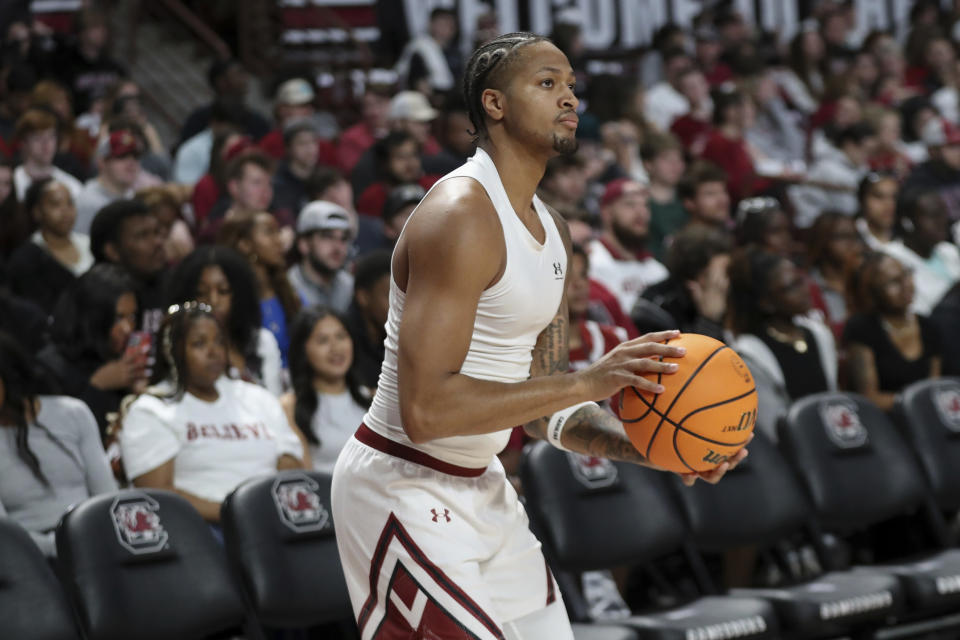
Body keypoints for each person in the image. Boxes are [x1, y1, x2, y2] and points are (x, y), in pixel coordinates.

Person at [331, 33, 745, 639]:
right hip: (402, 482)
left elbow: (541, 408)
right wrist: (589, 378)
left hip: (484, 483)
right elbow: (426, 411)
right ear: (494, 104)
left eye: (572, 84)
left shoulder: (554, 229)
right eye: (548, 83)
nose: (570, 98)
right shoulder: (459, 215)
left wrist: (657, 448)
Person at [119, 303, 304, 525]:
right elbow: (159, 495)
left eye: (219, 341)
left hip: (272, 521)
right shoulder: (151, 410)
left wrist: (272, 510)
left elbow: (290, 460)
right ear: (172, 351)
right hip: (199, 530)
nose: (213, 351)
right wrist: (239, 514)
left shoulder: (257, 397)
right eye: (199, 343)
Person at [0, 331, 116, 557]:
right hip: (29, 560)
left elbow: (107, 498)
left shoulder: (73, 413)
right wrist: (61, 548)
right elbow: (3, 535)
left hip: (95, 541)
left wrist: (93, 542)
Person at [728, 247, 837, 441]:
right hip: (794, 449)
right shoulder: (750, 352)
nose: (804, 291)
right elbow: (774, 427)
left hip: (832, 436)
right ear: (766, 303)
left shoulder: (818, 333)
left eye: (800, 281)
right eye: (790, 288)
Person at [38, 264, 149, 435]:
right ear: (93, 318)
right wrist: (97, 387)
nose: (128, 328)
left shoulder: (124, 360)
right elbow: (57, 437)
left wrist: (141, 395)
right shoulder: (49, 367)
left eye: (132, 317)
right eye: (119, 318)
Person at [166, 246, 284, 396]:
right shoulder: (177, 343)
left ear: (238, 295)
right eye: (201, 293)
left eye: (223, 291)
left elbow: (274, 400)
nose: (213, 301)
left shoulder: (261, 342)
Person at [845, 252, 942, 411]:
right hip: (885, 421)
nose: (906, 285)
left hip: (927, 417)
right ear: (874, 292)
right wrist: (914, 403)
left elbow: (934, 387)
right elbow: (868, 396)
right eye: (893, 282)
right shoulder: (862, 328)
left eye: (906, 274)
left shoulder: (928, 326)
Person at [282, 306, 371, 473]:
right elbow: (304, 477)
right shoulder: (290, 406)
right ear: (303, 350)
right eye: (323, 341)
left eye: (341, 336)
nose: (335, 348)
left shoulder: (372, 398)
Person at [217, 211, 301, 368]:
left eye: (278, 231)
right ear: (245, 245)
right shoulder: (230, 299)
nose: (279, 240)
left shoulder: (290, 292)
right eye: (269, 232)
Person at [4, 177, 93, 315]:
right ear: (37, 212)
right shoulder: (25, 259)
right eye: (55, 204)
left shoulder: (89, 244)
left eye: (70, 203)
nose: (65, 211)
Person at [587, 178, 668, 318]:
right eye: (630, 205)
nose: (641, 212)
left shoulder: (657, 270)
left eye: (645, 205)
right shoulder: (592, 261)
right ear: (607, 213)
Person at [89, 199, 168, 336]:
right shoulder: (91, 300)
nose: (158, 242)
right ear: (113, 251)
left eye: (157, 232)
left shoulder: (172, 283)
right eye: (143, 236)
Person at [641, 225, 731, 342]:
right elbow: (692, 359)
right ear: (694, 281)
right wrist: (709, 321)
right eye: (722, 275)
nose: (727, 283)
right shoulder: (656, 311)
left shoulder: (727, 299)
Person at [883, 189, 960, 315]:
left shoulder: (948, 250)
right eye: (933, 215)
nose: (942, 221)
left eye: (943, 214)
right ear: (908, 222)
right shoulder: (891, 258)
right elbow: (916, 312)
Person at [286, 200, 355, 313]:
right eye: (328, 237)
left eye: (343, 239)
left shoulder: (350, 287)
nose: (338, 247)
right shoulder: (287, 289)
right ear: (304, 244)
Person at [807, 211, 864, 339]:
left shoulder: (864, 277)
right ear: (823, 240)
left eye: (855, 236)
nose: (852, 243)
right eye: (843, 236)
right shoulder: (810, 285)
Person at [73, 129, 142, 233]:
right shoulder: (87, 202)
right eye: (122, 156)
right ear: (102, 162)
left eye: (135, 157)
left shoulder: (132, 196)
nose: (131, 163)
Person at [343, 249, 391, 389]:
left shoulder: (404, 338)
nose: (402, 306)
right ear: (363, 297)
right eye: (392, 297)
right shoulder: (343, 342)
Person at [12, 108, 82, 201]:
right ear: (24, 143)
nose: (46, 144)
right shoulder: (12, 184)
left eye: (51, 137)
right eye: (37, 138)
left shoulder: (72, 186)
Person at [856, 172, 899, 250]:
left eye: (894, 197)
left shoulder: (910, 234)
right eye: (879, 196)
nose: (889, 204)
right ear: (862, 200)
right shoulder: (851, 237)